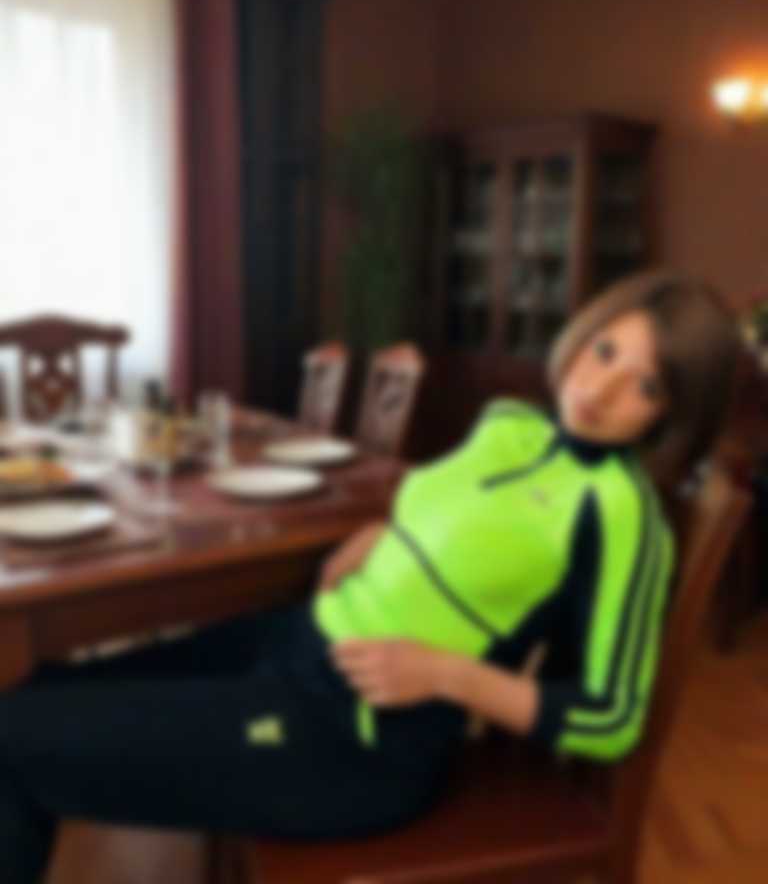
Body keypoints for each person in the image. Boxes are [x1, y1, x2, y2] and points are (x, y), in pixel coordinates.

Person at [0, 268, 741, 883]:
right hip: (292, 644)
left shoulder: (621, 515)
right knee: (30, 691)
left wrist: (449, 675)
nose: (601, 388)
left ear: (675, 416)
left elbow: (611, 717)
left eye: (646, 387)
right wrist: (393, 532)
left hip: (352, 739)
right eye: (606, 350)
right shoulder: (511, 424)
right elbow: (460, 511)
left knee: (12, 741)